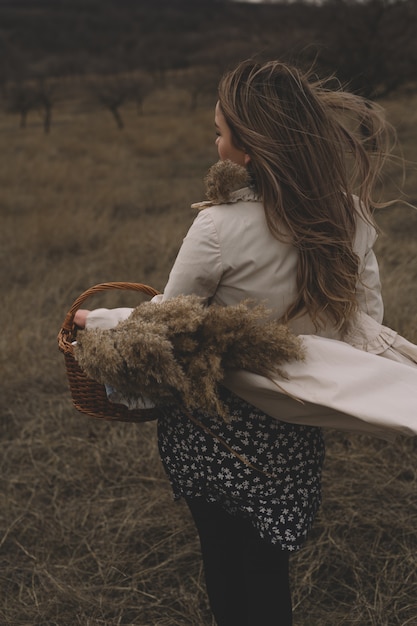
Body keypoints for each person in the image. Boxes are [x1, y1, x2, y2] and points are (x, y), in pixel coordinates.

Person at [74, 60, 408, 625]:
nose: (215, 141)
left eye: (220, 131)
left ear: (247, 148)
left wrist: (99, 323)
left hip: (215, 425)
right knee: (267, 562)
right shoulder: (348, 214)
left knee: (224, 561)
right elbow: (365, 320)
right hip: (293, 422)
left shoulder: (218, 228)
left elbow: (168, 325)